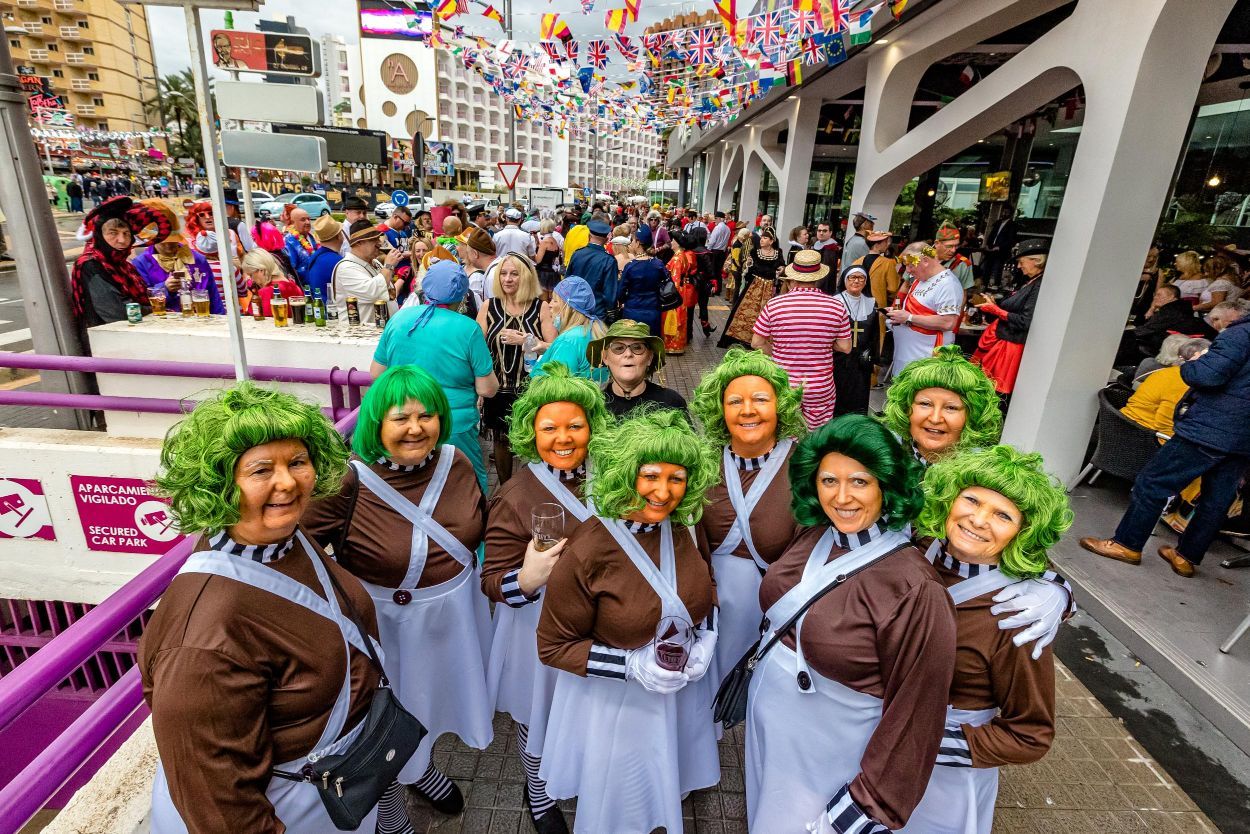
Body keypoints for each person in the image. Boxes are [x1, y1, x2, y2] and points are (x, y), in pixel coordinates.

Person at [140, 384, 387, 832]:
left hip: (330, 787)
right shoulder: (202, 640)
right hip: (291, 810)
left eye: (297, 462)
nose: (288, 482)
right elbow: (220, 809)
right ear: (219, 483)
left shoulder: (282, 537)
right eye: (260, 470)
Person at [745, 415, 956, 833]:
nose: (842, 497)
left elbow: (916, 714)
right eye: (829, 481)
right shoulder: (816, 533)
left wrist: (863, 811)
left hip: (829, 755)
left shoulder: (916, 589)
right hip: (775, 738)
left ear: (887, 485)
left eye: (859, 481)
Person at [302, 366, 492, 823]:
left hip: (456, 617)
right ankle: (389, 809)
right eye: (400, 418)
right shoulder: (349, 481)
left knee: (434, 707)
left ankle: (421, 769)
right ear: (376, 423)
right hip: (388, 626)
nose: (415, 427)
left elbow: (480, 524)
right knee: (385, 721)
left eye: (426, 415)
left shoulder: (457, 462)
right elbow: (300, 549)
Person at [536, 409, 721, 834]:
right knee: (621, 807)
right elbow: (552, 647)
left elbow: (706, 587)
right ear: (625, 474)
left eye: (677, 478)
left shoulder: (685, 527)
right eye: (651, 476)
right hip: (616, 708)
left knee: (665, 788)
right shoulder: (588, 549)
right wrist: (631, 666)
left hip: (676, 697)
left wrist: (707, 635)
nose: (664, 491)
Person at [902, 446, 1070, 834]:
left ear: (1024, 532)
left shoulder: (1019, 615)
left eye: (1003, 515)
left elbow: (1031, 735)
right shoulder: (919, 547)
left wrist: (923, 742)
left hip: (942, 781)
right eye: (971, 499)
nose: (978, 519)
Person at [482, 365, 612, 834]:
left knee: (584, 707)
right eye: (549, 427)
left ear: (593, 427)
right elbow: (491, 579)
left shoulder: (613, 480)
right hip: (534, 625)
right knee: (535, 710)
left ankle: (577, 774)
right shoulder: (516, 493)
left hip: (596, 625)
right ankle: (537, 793)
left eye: (575, 425)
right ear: (529, 432)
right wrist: (527, 579)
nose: (563, 437)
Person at [1081, 307, 1250, 578]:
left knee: (1153, 483)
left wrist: (1195, 363)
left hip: (1210, 428)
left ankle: (1127, 544)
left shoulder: (1241, 335)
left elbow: (1208, 375)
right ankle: (1186, 557)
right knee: (1216, 500)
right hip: (1243, 440)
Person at [690, 348, 805, 689]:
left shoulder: (804, 467)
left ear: (780, 405)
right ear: (720, 410)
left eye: (760, 399)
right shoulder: (700, 463)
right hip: (705, 609)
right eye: (735, 402)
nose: (748, 411)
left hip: (775, 612)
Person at [373, 260, 498, 490]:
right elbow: (487, 389)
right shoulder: (467, 328)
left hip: (404, 419)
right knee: (468, 482)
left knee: (415, 482)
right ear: (462, 295)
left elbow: (377, 374)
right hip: (453, 424)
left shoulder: (399, 319)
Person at [752, 249, 853, 428]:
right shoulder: (836, 306)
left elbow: (757, 342)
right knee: (816, 439)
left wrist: (777, 354)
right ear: (818, 277)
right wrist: (824, 343)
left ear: (792, 277)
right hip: (821, 386)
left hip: (784, 383)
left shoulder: (774, 304)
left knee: (784, 435)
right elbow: (845, 347)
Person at [477, 253, 555, 483]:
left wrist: (527, 342)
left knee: (531, 441)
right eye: (503, 273)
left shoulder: (540, 307)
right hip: (497, 388)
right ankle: (505, 489)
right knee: (501, 441)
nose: (507, 279)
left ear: (526, 278)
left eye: (514, 274)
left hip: (529, 389)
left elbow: (553, 348)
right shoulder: (489, 306)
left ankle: (528, 489)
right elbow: (476, 347)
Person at [882, 345, 1003, 465]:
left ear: (973, 415)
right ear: (905, 408)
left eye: (951, 408)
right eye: (925, 404)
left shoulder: (980, 470)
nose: (935, 419)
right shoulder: (883, 454)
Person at [70, 197, 169, 329]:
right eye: (113, 233)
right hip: (109, 339)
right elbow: (118, 312)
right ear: (99, 236)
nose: (122, 240)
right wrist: (153, 307)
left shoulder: (124, 266)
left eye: (126, 233)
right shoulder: (91, 264)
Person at [972, 238, 1047, 404]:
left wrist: (996, 310)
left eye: (1021, 262)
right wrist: (994, 305)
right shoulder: (1029, 281)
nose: (1019, 266)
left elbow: (1025, 321)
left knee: (994, 392)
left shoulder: (1040, 285)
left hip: (1009, 347)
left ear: (1036, 261)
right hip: (1001, 340)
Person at [886, 241, 966, 377]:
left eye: (911, 265)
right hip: (906, 356)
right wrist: (897, 315)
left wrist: (908, 318)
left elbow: (948, 322)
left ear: (925, 260)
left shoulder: (948, 285)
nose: (908, 270)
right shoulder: (919, 279)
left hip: (925, 361)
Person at [588, 319, 687, 418]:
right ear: (605, 357)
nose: (628, 354)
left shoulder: (672, 403)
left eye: (637, 347)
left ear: (649, 357)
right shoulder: (593, 405)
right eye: (618, 348)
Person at [1120, 338, 1210, 439]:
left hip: (1125, 423)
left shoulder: (1167, 372)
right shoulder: (1183, 382)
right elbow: (1165, 424)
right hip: (1141, 434)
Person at [132, 224, 224, 316]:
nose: (168, 245)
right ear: (154, 240)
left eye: (172, 241)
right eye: (163, 241)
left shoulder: (197, 259)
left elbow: (213, 294)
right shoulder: (141, 263)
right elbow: (142, 300)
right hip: (164, 322)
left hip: (201, 318)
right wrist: (165, 288)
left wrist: (221, 319)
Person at [532, 276, 609, 382]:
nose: (549, 305)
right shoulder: (597, 328)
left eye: (555, 300)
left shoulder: (568, 340)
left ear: (569, 308)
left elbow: (556, 386)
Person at [720, 226, 784, 348]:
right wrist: (747, 265)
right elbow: (748, 270)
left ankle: (764, 341)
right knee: (746, 312)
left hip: (769, 288)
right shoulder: (754, 252)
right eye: (762, 237)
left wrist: (782, 269)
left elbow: (781, 265)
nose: (762, 240)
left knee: (765, 315)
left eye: (765, 238)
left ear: (771, 241)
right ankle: (746, 338)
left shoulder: (778, 253)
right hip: (754, 287)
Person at [832, 264, 880, 416]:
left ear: (866, 282)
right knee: (839, 394)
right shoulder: (835, 301)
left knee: (860, 395)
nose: (856, 281)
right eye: (852, 277)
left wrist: (875, 359)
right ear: (845, 280)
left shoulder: (871, 302)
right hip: (839, 358)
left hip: (861, 361)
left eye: (861, 278)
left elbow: (875, 334)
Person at [331, 222, 401, 325]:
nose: (380, 243)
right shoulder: (345, 268)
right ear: (359, 243)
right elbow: (372, 292)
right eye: (374, 239)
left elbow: (389, 292)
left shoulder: (375, 262)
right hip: (358, 335)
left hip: (377, 331)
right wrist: (388, 266)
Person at [1132, 283, 1210, 358]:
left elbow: (1146, 329)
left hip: (1165, 349)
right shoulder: (1178, 308)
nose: (1155, 297)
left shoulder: (1171, 311)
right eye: (1155, 295)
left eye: (1159, 295)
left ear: (1171, 296)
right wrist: (1152, 309)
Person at [616, 233, 667, 336]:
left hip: (632, 312)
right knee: (652, 344)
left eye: (633, 241)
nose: (631, 243)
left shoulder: (630, 266)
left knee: (634, 345)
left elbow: (620, 292)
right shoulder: (658, 264)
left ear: (638, 243)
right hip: (653, 311)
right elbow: (667, 284)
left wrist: (624, 300)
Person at [565, 220, 618, 320]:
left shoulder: (577, 254)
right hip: (597, 312)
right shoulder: (609, 260)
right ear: (606, 239)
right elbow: (610, 293)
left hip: (576, 309)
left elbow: (568, 281)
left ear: (589, 236)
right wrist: (611, 315)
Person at [240, 249, 305, 318]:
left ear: (261, 270)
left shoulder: (266, 292)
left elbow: (255, 323)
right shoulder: (294, 286)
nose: (252, 280)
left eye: (251, 275)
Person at [663, 229, 697, 354]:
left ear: (677, 242)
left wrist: (671, 296)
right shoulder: (682, 255)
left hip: (676, 292)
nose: (671, 242)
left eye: (673, 240)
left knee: (674, 318)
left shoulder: (677, 258)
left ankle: (673, 345)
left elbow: (675, 280)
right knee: (680, 317)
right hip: (681, 291)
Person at [307, 215, 345, 306]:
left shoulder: (315, 256)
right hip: (333, 314)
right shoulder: (338, 261)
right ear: (339, 236)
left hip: (318, 310)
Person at [935, 224, 976, 292]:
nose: (954, 250)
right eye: (949, 246)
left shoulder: (964, 264)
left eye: (956, 246)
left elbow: (963, 294)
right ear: (937, 244)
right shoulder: (921, 257)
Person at [283, 207, 315, 281]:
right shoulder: (288, 242)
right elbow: (292, 271)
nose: (307, 222)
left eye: (308, 219)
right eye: (303, 220)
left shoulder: (311, 236)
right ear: (293, 222)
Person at [535, 219, 563, 298]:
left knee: (544, 301)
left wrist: (530, 255)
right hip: (553, 273)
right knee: (552, 299)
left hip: (543, 274)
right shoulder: (554, 240)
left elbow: (538, 260)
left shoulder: (545, 242)